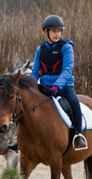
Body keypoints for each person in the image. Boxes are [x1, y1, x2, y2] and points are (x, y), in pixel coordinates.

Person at [31, 14, 88, 151]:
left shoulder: (66, 47)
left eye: (59, 31)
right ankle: (21, 138)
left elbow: (67, 70)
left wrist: (57, 86)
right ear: (46, 32)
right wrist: (31, 87)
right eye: (54, 31)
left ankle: (78, 135)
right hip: (44, 86)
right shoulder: (40, 50)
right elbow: (34, 72)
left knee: (74, 102)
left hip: (63, 86)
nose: (57, 34)